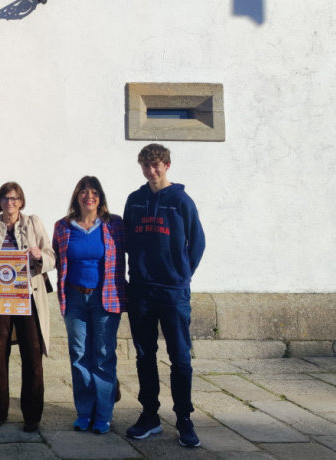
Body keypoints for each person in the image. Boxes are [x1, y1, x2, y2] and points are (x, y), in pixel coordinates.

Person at [123, 144, 205, 447]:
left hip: (173, 292)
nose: (151, 170)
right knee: (145, 355)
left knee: (180, 357)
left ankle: (184, 417)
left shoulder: (181, 200)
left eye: (156, 164)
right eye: (145, 165)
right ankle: (150, 415)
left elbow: (196, 242)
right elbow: (128, 241)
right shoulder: (135, 201)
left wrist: (181, 275)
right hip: (142, 290)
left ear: (167, 165)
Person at [0, 182, 54, 433]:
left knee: (32, 354)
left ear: (21, 201)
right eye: (5, 198)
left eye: (15, 198)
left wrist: (39, 255)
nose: (10, 203)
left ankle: (32, 414)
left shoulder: (33, 223)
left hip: (27, 296)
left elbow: (51, 255)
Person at [52, 176, 126, 435]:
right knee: (79, 355)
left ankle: (104, 415)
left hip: (105, 297)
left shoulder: (114, 224)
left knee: (104, 355)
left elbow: (136, 250)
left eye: (94, 192)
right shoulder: (62, 227)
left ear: (100, 197)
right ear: (77, 197)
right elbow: (53, 259)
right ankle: (84, 412)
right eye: (84, 192)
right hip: (74, 298)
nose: (89, 196)